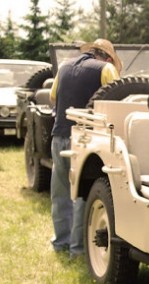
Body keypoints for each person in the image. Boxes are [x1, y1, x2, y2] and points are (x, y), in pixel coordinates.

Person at [49, 39, 121, 258]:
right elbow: (117, 100)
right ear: (108, 57)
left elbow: (54, 99)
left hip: (59, 133)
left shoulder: (64, 67)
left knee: (60, 193)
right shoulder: (106, 69)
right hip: (85, 139)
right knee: (82, 194)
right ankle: (78, 250)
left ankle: (61, 242)